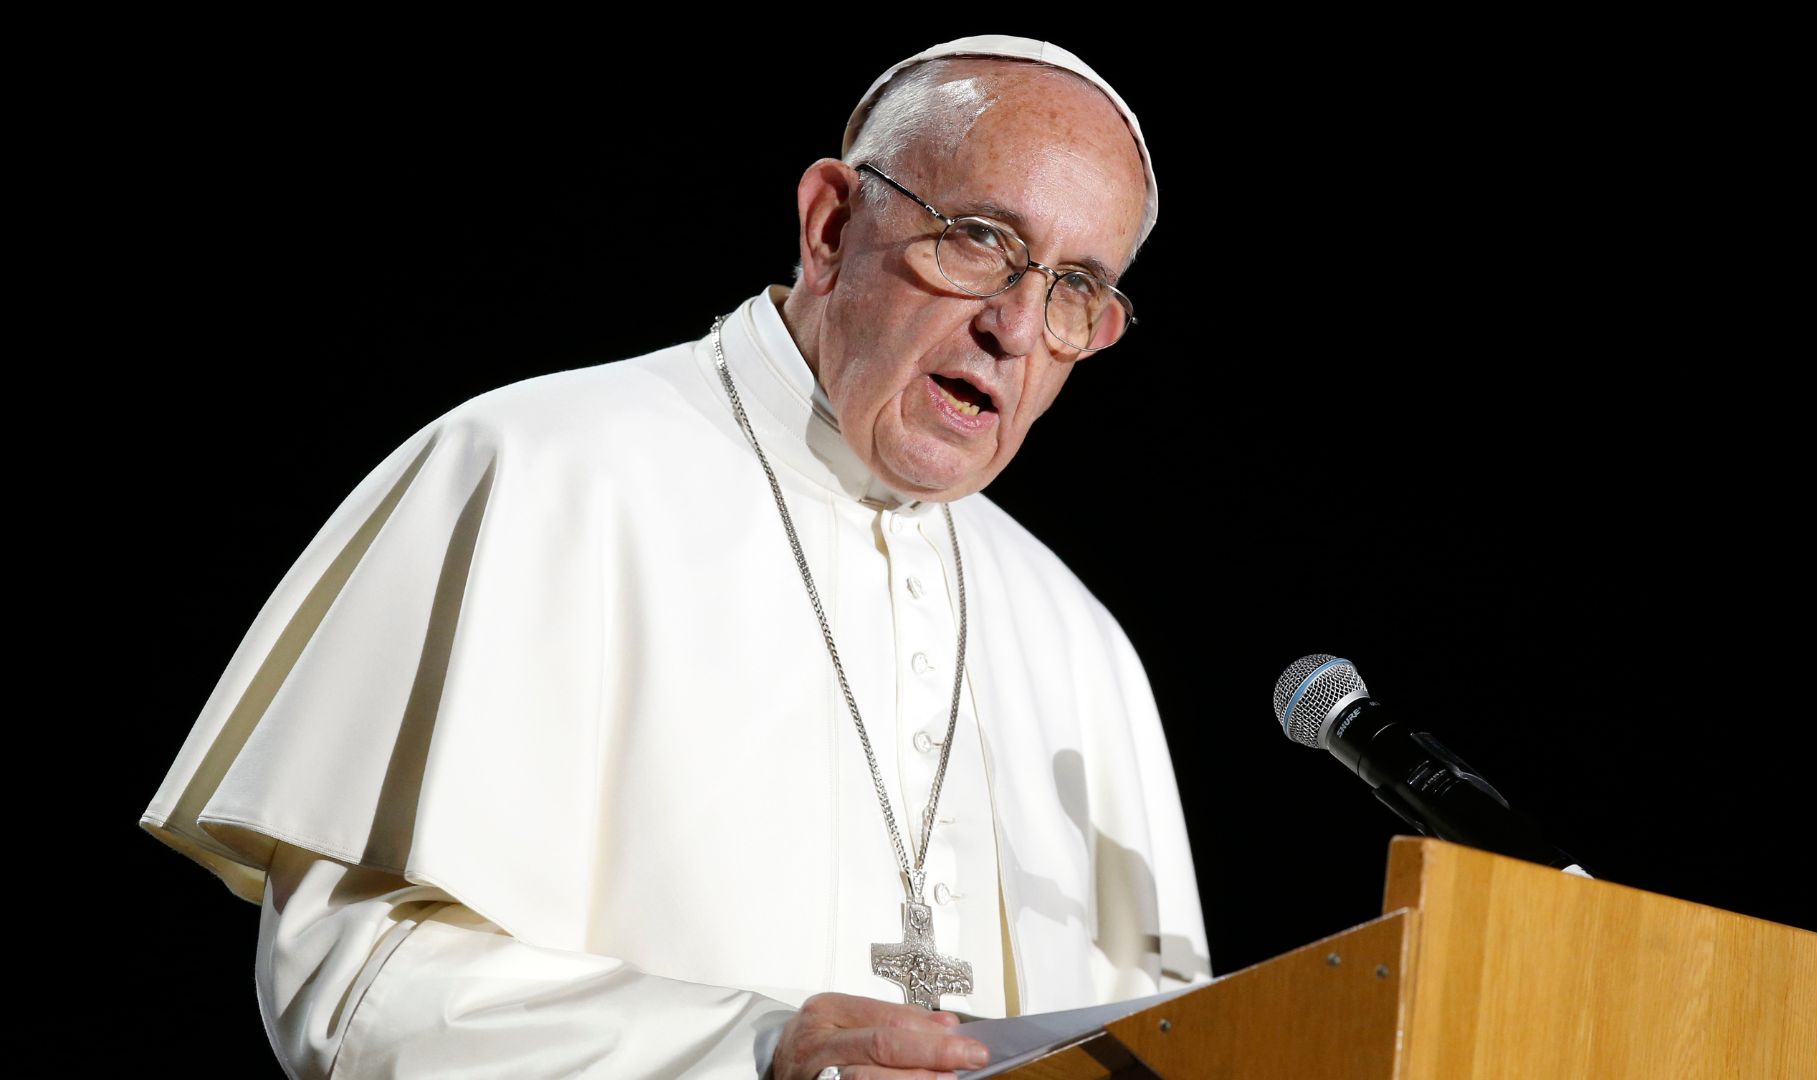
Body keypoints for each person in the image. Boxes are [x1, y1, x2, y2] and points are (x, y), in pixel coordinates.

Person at [139, 35, 1210, 1079]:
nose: (1016, 329)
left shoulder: (1079, 643)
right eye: (979, 238)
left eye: (1076, 288)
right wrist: (750, 1054)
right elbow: (356, 987)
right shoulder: (538, 471)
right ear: (831, 225)